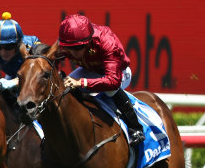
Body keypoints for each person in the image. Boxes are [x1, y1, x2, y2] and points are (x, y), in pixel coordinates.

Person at [58, 14, 144, 145]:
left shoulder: (106, 42)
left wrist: (81, 82)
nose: (74, 53)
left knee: (110, 91)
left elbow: (112, 81)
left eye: (78, 48)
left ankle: (136, 128)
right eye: (70, 48)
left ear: (88, 41)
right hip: (89, 70)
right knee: (63, 87)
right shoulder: (65, 43)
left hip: (118, 73)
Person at [0, 12, 41, 94]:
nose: (3, 52)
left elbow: (36, 75)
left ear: (18, 44)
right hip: (10, 75)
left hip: (32, 81)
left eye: (8, 47)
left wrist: (12, 83)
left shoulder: (31, 47)